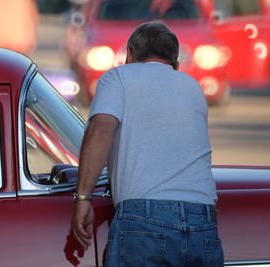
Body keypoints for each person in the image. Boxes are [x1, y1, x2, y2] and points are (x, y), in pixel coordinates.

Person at [71, 21, 224, 266]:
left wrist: (82, 198)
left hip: (143, 218)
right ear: (175, 63)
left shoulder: (118, 78)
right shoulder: (193, 87)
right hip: (201, 219)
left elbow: (100, 131)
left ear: (129, 54)